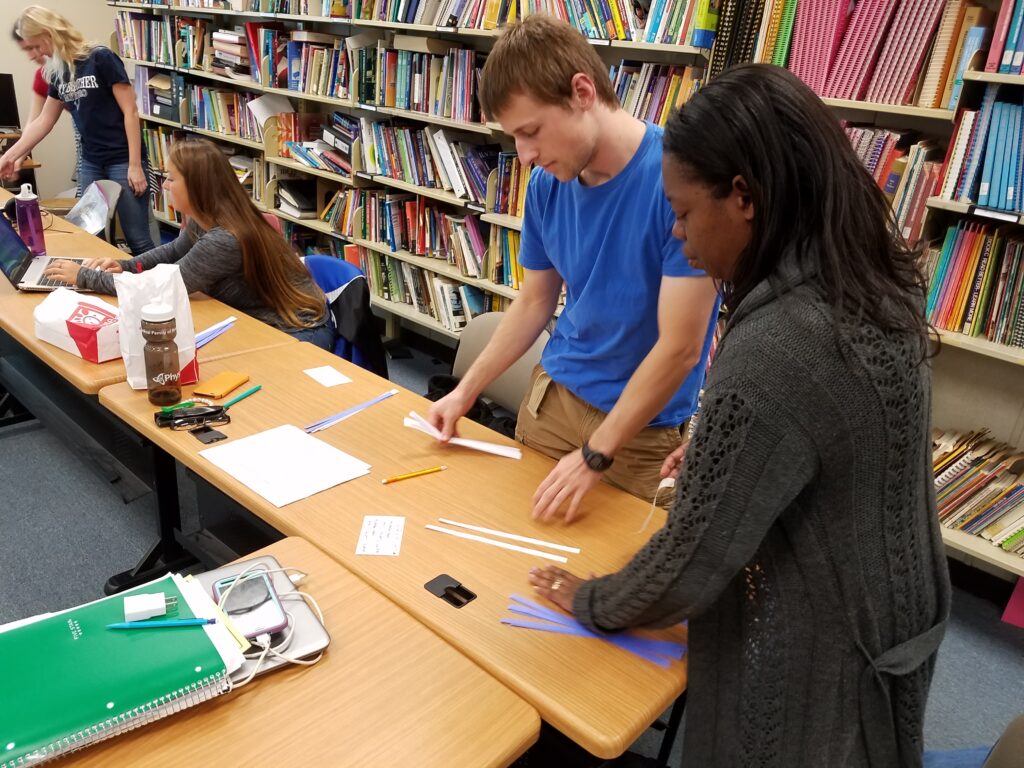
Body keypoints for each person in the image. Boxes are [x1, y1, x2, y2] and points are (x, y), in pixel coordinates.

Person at [529, 64, 951, 767]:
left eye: (686, 211)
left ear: (745, 197)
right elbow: (831, 447)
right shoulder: (867, 280)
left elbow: (691, 562)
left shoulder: (778, 346)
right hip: (892, 621)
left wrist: (593, 601)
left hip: (822, 667)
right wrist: (731, 455)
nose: (679, 233)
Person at [429, 15, 719, 523]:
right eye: (514, 138)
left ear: (582, 91)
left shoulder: (679, 181)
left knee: (621, 584)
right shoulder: (547, 184)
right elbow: (536, 301)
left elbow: (681, 348)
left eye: (532, 131)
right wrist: (464, 391)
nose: (524, 156)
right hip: (552, 405)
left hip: (639, 433)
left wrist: (596, 454)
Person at [45, 139, 333, 349]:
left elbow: (165, 287)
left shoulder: (224, 239)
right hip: (262, 321)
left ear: (197, 186)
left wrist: (85, 276)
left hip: (298, 330)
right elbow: (172, 252)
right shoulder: (205, 218)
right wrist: (124, 266)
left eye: (171, 179)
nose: (166, 185)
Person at [0, 6, 154, 253]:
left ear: (50, 34)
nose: (33, 54)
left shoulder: (100, 58)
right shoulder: (56, 72)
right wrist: (9, 156)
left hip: (123, 158)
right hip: (92, 160)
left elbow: (131, 112)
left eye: (35, 47)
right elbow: (43, 121)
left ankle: (158, 287)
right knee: (91, 237)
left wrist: (134, 164)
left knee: (138, 239)